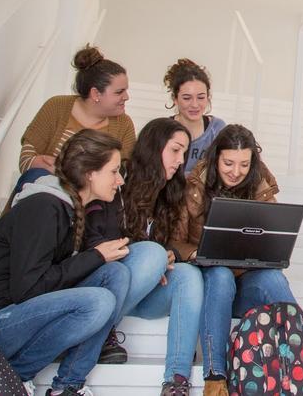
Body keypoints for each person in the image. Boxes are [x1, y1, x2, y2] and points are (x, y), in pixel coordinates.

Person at [0, 130, 132, 396]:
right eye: (114, 171)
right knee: (98, 301)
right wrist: (95, 256)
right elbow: (27, 289)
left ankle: (68, 385)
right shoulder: (43, 208)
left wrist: (98, 257)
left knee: (115, 273)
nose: (119, 181)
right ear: (89, 173)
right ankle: (15, 374)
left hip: (17, 315)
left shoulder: (71, 211)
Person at [169, 125, 293, 396]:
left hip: (245, 283)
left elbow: (272, 240)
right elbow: (174, 241)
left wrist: (270, 252)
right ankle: (215, 374)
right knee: (221, 272)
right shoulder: (193, 186)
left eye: (244, 165)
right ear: (215, 159)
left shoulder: (261, 188)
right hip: (211, 286)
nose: (236, 172)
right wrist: (198, 254)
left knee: (274, 278)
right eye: (228, 163)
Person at [84, 118, 204, 396]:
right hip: (106, 287)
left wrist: (167, 258)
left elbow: (166, 247)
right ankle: (98, 334)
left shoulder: (169, 194)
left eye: (185, 153)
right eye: (175, 150)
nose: (180, 160)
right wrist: (153, 258)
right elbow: (97, 242)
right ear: (154, 146)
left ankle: (177, 378)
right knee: (152, 253)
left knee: (189, 274)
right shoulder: (117, 180)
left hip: (143, 291)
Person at [13, 45, 136, 197]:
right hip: (42, 194)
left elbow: (123, 172)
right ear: (95, 93)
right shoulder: (57, 106)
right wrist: (34, 163)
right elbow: (28, 155)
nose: (126, 97)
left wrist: (65, 172)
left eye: (126, 90)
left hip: (90, 207)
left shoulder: (124, 125)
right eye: (119, 92)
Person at [163, 58, 226, 175]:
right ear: (175, 99)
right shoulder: (162, 131)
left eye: (201, 97)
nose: (195, 105)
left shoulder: (217, 129)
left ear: (208, 97)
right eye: (187, 98)